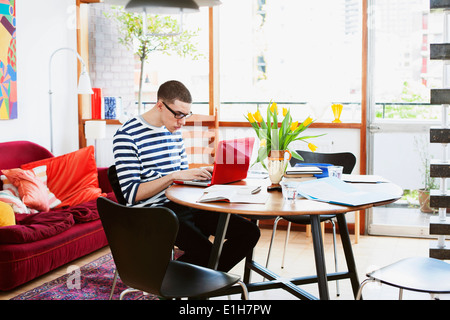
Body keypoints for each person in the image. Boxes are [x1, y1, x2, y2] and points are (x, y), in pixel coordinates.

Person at [113, 80, 260, 272]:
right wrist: (174, 176)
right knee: (209, 253)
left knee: (249, 232)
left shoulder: (174, 131)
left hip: (183, 204)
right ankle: (184, 281)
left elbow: (181, 177)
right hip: (155, 214)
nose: (182, 121)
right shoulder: (127, 136)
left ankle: (198, 281)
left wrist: (203, 174)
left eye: (186, 115)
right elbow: (132, 195)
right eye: (178, 115)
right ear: (160, 105)